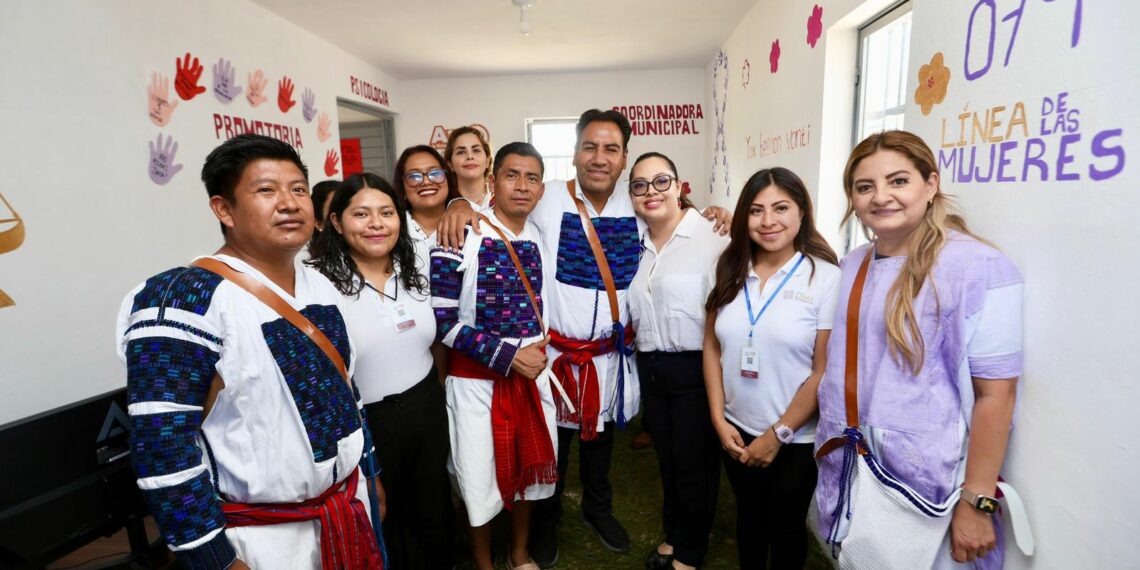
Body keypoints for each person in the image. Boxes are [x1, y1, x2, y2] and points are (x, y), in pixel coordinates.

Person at [439, 109, 731, 567]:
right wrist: (458, 203)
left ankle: (598, 509)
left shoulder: (636, 203)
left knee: (600, 441)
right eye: (589, 147)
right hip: (554, 354)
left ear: (624, 158)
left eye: (611, 149)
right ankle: (547, 521)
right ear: (574, 154)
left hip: (610, 356)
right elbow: (496, 208)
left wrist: (716, 214)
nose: (599, 158)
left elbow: (677, 216)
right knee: (554, 442)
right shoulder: (548, 198)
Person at [116, 134, 383, 569]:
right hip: (259, 542)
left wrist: (369, 474)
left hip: (344, 510)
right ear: (224, 209)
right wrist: (213, 557)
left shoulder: (320, 284)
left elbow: (346, 393)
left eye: (298, 189)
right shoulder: (182, 298)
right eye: (266, 190)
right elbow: (162, 446)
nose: (289, 203)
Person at [815, 130, 1023, 568]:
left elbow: (996, 394)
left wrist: (977, 500)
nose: (881, 197)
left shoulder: (977, 267)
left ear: (930, 184)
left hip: (929, 483)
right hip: (854, 466)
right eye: (865, 186)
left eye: (898, 181)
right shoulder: (853, 263)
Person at [307, 173, 455, 569]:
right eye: (361, 214)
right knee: (379, 515)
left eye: (386, 213)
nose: (376, 224)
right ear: (337, 222)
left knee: (432, 508)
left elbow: (435, 337)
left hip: (425, 406)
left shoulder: (416, 265)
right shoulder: (317, 282)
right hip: (368, 422)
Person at [703, 167, 839, 569]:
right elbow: (711, 347)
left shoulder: (825, 277)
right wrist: (718, 419)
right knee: (749, 519)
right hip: (735, 429)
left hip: (795, 438)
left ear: (802, 213)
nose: (768, 221)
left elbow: (823, 370)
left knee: (786, 529)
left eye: (781, 208)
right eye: (756, 210)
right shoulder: (727, 267)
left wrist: (778, 435)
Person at [430, 142, 558, 570]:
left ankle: (518, 554)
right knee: (476, 476)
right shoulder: (459, 234)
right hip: (476, 383)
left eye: (532, 178)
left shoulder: (538, 236)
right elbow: (442, 321)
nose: (521, 186)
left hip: (531, 378)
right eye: (511, 175)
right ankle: (484, 563)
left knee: (529, 470)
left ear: (541, 190)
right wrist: (508, 357)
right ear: (492, 180)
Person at [627, 153, 727, 570]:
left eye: (661, 181)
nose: (651, 192)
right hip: (651, 367)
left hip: (696, 367)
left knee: (694, 464)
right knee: (668, 460)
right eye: (640, 185)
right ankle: (675, 535)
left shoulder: (713, 236)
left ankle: (690, 552)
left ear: (679, 185)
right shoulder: (636, 242)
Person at [395, 145, 454, 267]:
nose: (426, 182)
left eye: (435, 173)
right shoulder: (392, 229)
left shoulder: (470, 222)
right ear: (402, 186)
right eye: (414, 176)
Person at [445, 125, 494, 210]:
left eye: (476, 150)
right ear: (450, 164)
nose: (470, 156)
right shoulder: (442, 204)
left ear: (487, 161)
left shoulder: (503, 197)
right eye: (461, 152)